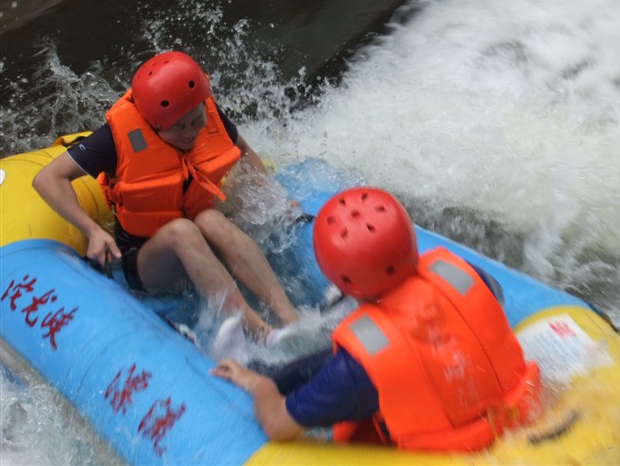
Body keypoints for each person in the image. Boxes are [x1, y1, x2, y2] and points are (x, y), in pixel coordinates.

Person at [212, 187, 542, 452]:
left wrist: (259, 386)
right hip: (515, 408)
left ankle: (257, 372)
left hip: (445, 447)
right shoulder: (467, 275)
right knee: (337, 360)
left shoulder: (359, 367)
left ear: (342, 284)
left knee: (345, 368)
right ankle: (267, 367)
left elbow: (277, 425)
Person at [32, 50, 299, 342]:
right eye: (177, 128)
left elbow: (245, 152)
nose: (190, 134)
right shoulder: (115, 138)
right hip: (148, 260)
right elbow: (47, 179)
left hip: (201, 236)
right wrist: (92, 230)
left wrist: (273, 200)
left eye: (195, 122)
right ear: (152, 122)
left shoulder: (204, 111)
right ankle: (260, 333)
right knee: (183, 231)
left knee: (210, 218)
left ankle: (291, 318)